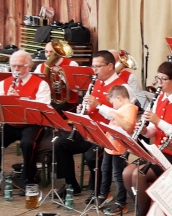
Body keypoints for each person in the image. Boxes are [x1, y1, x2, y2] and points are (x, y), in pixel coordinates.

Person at [121, 61, 172, 216]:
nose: (159, 83)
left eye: (164, 79)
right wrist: (144, 130)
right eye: (158, 78)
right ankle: (144, 212)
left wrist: (158, 121)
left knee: (138, 175)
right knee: (127, 173)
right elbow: (153, 131)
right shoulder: (160, 98)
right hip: (159, 150)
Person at [53, 51, 132, 199]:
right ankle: (71, 185)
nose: (94, 70)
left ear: (110, 66)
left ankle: (100, 191)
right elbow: (91, 109)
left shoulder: (123, 88)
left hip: (109, 135)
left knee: (92, 156)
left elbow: (123, 117)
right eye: (93, 66)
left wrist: (99, 105)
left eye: (97, 66)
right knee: (61, 144)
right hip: (90, 130)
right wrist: (83, 111)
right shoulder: (94, 83)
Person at [0, 50, 52, 196]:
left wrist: (19, 99)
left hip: (32, 123)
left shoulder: (41, 84)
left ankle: (29, 179)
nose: (16, 69)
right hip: (11, 123)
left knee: (28, 144)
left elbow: (42, 108)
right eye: (13, 66)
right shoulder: (4, 84)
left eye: (20, 66)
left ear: (29, 67)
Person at [95, 85, 138, 216]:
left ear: (119, 98)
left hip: (119, 148)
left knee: (118, 175)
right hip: (110, 145)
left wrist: (114, 114)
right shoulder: (120, 109)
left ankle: (121, 202)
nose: (112, 106)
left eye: (113, 102)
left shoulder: (130, 108)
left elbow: (128, 126)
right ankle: (104, 193)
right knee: (105, 169)